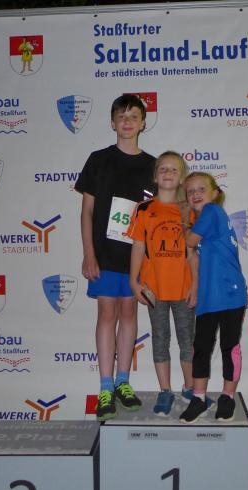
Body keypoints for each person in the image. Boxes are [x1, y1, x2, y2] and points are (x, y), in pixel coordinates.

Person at [74, 94, 156, 421]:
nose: (127, 122)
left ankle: (124, 382)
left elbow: (154, 217)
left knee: (129, 312)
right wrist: (88, 254)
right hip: (104, 255)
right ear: (112, 123)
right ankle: (105, 387)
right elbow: (87, 211)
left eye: (133, 116)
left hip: (136, 256)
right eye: (121, 116)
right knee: (107, 313)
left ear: (143, 123)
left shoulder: (153, 166)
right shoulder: (99, 160)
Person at [128, 151, 197, 416]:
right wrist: (134, 280)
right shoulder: (144, 209)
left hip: (183, 288)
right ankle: (165, 390)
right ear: (155, 176)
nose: (168, 173)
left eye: (174, 169)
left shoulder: (188, 210)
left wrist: (195, 285)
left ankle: (191, 389)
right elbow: (138, 246)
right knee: (160, 338)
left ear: (182, 178)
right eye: (163, 169)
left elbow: (193, 252)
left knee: (187, 340)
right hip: (153, 288)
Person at [179, 172, 248, 423]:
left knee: (229, 347)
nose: (195, 194)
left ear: (215, 193)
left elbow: (189, 240)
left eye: (201, 189)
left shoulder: (211, 211)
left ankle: (227, 397)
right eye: (190, 191)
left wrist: (184, 218)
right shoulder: (207, 219)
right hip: (209, 297)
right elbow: (195, 259)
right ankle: (198, 398)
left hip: (230, 295)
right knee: (201, 348)